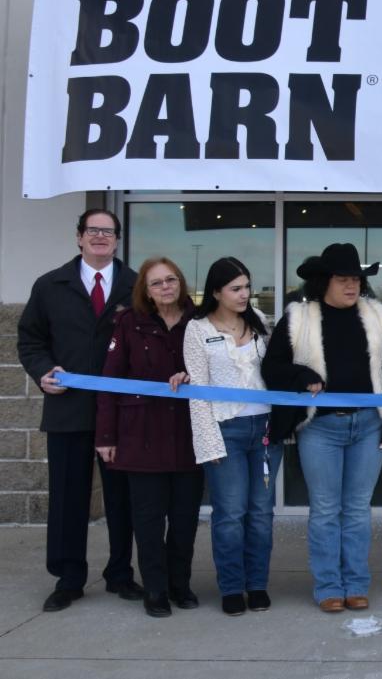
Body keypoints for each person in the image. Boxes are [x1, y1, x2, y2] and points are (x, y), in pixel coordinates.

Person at [261, 243, 382, 613]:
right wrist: (302, 374)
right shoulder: (298, 317)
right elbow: (272, 368)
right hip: (320, 429)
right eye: (343, 279)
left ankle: (356, 584)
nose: (352, 285)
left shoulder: (377, 316)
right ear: (325, 281)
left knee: (357, 510)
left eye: (356, 279)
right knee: (325, 510)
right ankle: (328, 586)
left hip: (369, 425)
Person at [17, 208, 141, 612]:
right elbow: (30, 341)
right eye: (93, 231)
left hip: (121, 414)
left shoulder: (134, 286)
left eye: (108, 232)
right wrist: (41, 372)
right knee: (68, 498)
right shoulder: (50, 285)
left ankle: (120, 574)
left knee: (121, 498)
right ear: (79, 237)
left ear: (118, 239)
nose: (100, 237)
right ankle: (68, 578)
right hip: (68, 409)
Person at [95, 257, 202, 618]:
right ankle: (155, 588)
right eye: (157, 283)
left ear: (181, 282)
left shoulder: (199, 320)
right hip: (141, 436)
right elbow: (109, 383)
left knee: (185, 518)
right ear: (146, 290)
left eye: (171, 279)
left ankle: (179, 584)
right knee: (149, 519)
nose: (166, 287)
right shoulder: (128, 323)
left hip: (189, 434)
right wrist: (105, 436)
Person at [183, 256, 282, 616]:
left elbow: (277, 371)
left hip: (266, 430)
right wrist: (206, 442)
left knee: (261, 512)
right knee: (229, 513)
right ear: (216, 292)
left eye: (247, 287)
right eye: (235, 288)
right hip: (226, 429)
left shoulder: (260, 324)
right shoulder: (196, 329)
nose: (244, 294)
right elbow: (198, 388)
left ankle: (256, 585)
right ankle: (231, 587)